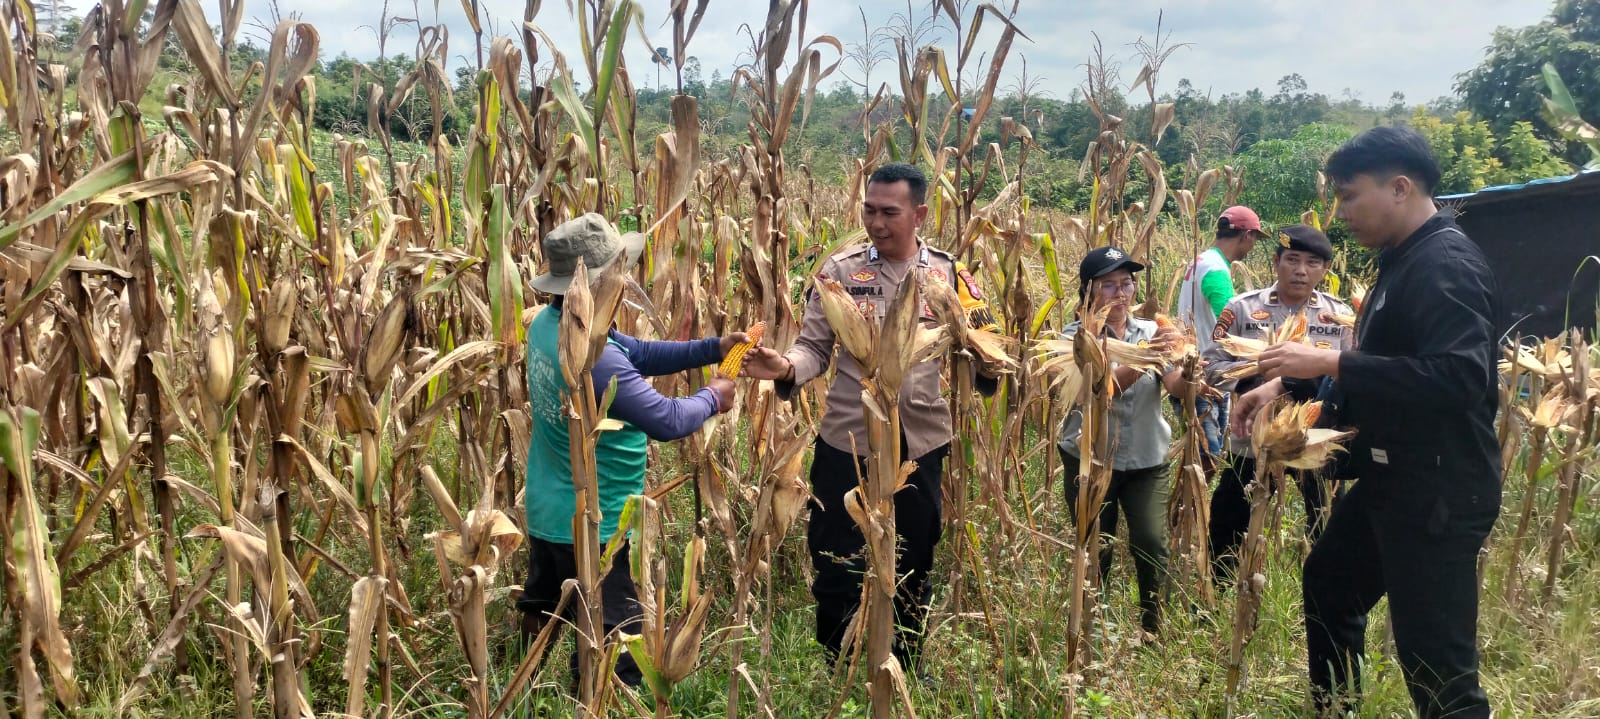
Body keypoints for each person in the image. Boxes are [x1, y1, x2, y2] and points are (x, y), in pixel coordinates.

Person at [1233, 127, 1499, 718]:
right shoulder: (1402, 260)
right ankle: (1337, 711)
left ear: (1399, 187)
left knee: (1438, 670)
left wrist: (1328, 360)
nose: (1341, 212)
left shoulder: (1445, 264)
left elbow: (1459, 379)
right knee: (1330, 585)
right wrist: (1288, 383)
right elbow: (1384, 364)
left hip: (1437, 491)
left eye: (1350, 196)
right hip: (1391, 479)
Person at [743, 162, 1001, 669]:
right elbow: (812, 349)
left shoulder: (950, 276)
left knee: (912, 558)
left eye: (889, 212)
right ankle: (835, 663)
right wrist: (784, 367)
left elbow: (987, 346)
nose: (876, 223)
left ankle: (902, 663)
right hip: (848, 441)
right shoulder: (840, 272)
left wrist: (987, 361)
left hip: (920, 443)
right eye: (869, 210)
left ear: (920, 214)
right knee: (835, 555)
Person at [518, 213, 743, 687]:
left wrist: (713, 347)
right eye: (619, 272)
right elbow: (665, 420)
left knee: (542, 610)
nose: (627, 280)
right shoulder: (595, 360)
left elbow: (635, 352)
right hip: (597, 521)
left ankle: (521, 691)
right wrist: (714, 397)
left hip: (545, 507)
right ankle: (603, 699)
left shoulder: (549, 323)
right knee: (615, 633)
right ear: (599, 281)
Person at [1203, 225, 1354, 583]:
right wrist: (1258, 376)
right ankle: (1216, 593)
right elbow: (1210, 368)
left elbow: (1353, 376)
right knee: (1228, 518)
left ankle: (1323, 593)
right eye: (1292, 260)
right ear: (1276, 262)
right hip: (1253, 438)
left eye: (1312, 263)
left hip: (1314, 438)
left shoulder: (1339, 316)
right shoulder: (1242, 308)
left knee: (1327, 521)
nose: (1301, 270)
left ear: (1324, 269)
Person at [1056, 246, 1186, 636]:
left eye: (1126, 284)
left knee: (1151, 543)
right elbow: (1099, 390)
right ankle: (1094, 631)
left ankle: (1153, 628)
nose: (1120, 293)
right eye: (1108, 285)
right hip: (1089, 461)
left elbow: (1175, 385)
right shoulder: (1072, 339)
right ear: (1089, 292)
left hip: (1148, 458)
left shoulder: (1151, 333)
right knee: (1097, 546)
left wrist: (1193, 373)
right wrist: (1147, 357)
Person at [1177, 206, 1267, 468]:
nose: (1251, 247)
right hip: (1206, 373)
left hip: (1194, 366)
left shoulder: (1200, 260)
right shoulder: (1216, 269)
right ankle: (1195, 508)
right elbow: (1232, 321)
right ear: (1247, 235)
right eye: (1254, 239)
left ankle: (1191, 506)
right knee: (1209, 459)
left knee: (1201, 456)